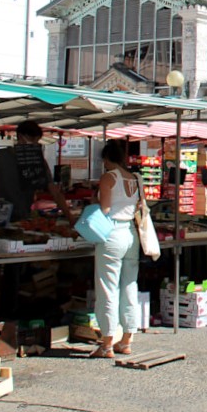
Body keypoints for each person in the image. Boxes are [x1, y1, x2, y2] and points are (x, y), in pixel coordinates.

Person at [91, 141, 140, 359]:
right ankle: (127, 340)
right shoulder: (136, 179)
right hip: (131, 233)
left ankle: (107, 343)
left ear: (106, 159)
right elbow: (138, 207)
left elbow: (106, 209)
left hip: (112, 233)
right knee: (130, 286)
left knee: (108, 288)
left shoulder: (109, 177)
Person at [0, 120, 71, 222]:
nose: (34, 145)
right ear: (20, 137)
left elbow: (55, 193)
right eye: (31, 141)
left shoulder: (38, 161)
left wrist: (70, 218)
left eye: (37, 142)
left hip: (24, 219)